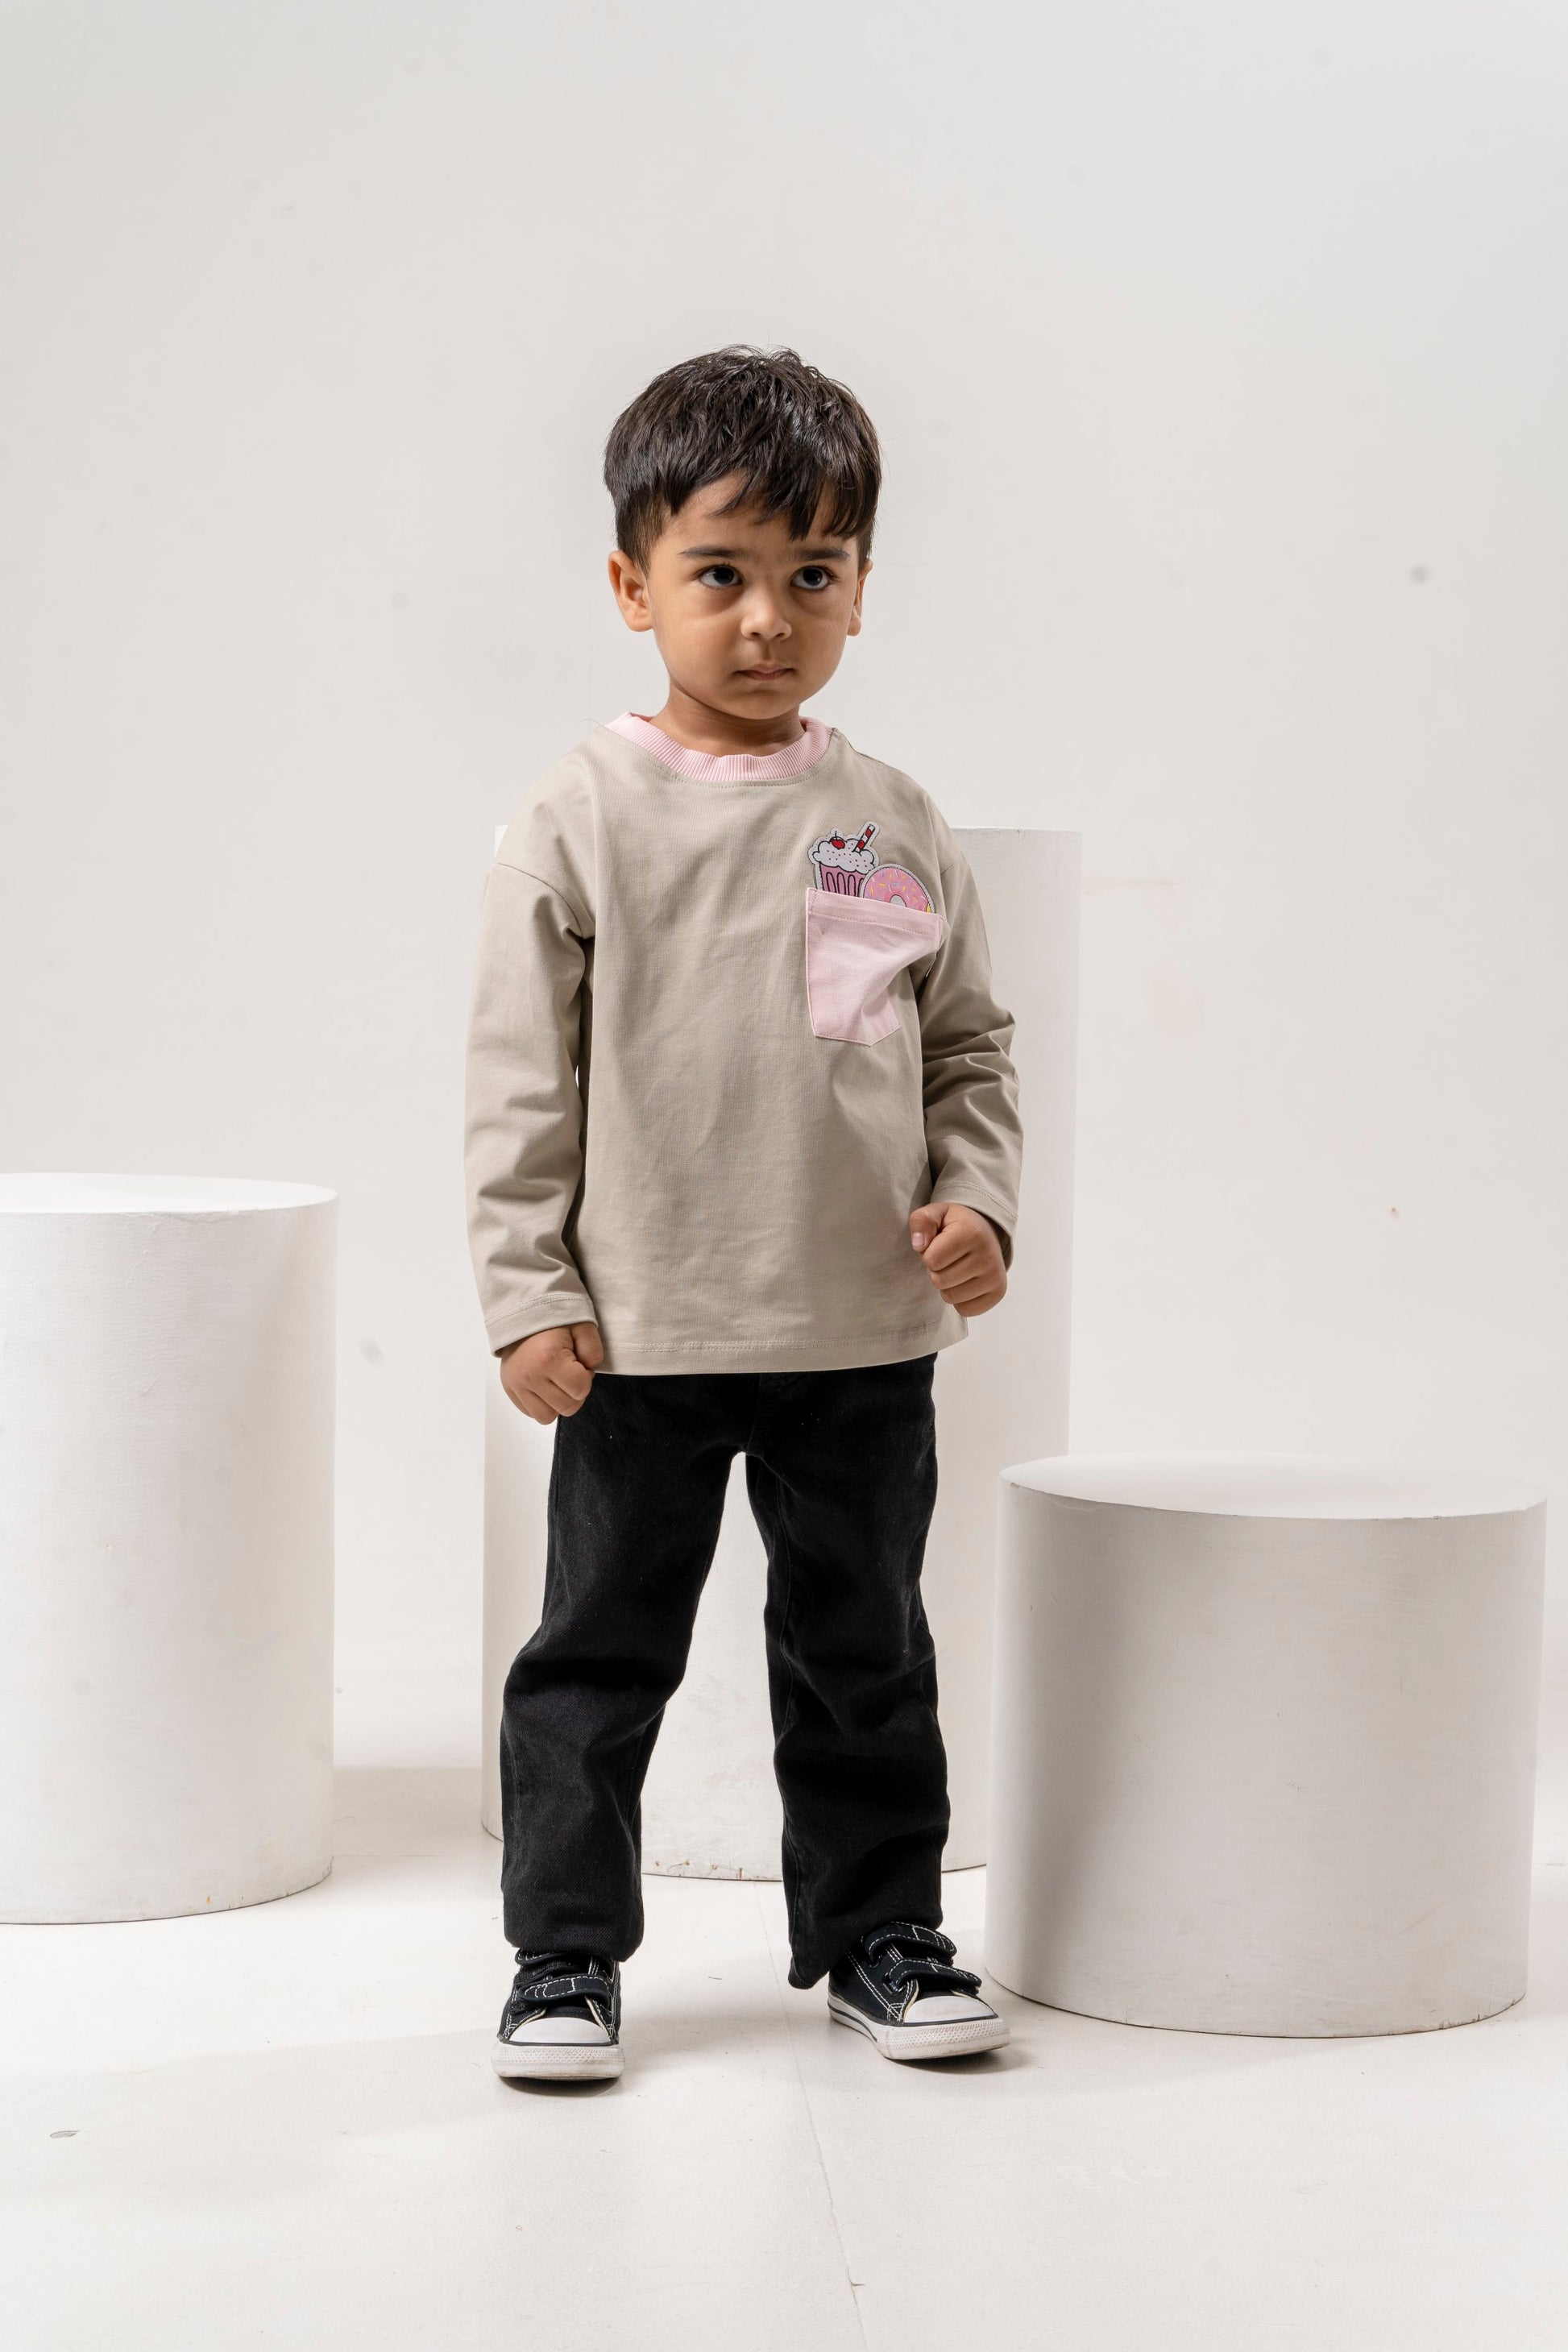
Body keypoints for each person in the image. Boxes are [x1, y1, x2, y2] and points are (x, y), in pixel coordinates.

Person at [464, 345, 1023, 2083]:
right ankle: (563, 1953)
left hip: (857, 1327)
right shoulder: (578, 815)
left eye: (812, 574)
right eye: (718, 572)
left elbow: (962, 1044)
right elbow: (519, 1078)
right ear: (632, 583)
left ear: (860, 585)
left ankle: (879, 1931)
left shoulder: (889, 816)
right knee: (594, 1658)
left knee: (867, 1653)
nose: (767, 618)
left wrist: (976, 1197)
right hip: (637, 1331)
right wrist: (525, 1288)